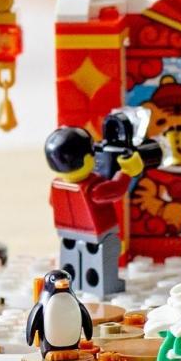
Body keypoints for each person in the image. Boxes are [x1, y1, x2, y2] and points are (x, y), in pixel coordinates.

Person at [44, 118, 147, 298]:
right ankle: (103, 286)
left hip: (67, 233)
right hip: (99, 234)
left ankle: (74, 283)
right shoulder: (93, 188)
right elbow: (116, 189)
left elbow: (52, 202)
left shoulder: (57, 185)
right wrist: (127, 172)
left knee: (71, 261)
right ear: (87, 159)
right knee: (101, 260)